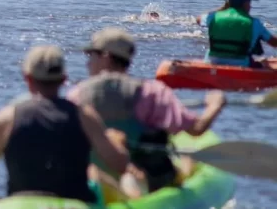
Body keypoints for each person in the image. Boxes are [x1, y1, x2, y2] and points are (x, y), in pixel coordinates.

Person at [67, 27, 226, 200]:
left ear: (105, 57)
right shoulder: (153, 93)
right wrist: (214, 105)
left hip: (97, 183)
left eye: (92, 55)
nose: (88, 62)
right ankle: (184, 168)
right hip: (149, 185)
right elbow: (197, 129)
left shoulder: (77, 95)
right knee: (189, 157)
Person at [0, 45, 129, 204]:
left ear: (28, 79)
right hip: (72, 203)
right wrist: (115, 142)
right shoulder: (85, 116)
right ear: (64, 79)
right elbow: (120, 165)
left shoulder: (8, 117)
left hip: (21, 203)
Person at [196, 0, 277, 67]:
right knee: (264, 62)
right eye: (249, 3)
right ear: (245, 4)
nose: (250, 6)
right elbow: (273, 42)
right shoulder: (254, 22)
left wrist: (223, 7)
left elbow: (198, 19)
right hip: (241, 64)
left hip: (212, 62)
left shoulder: (214, 17)